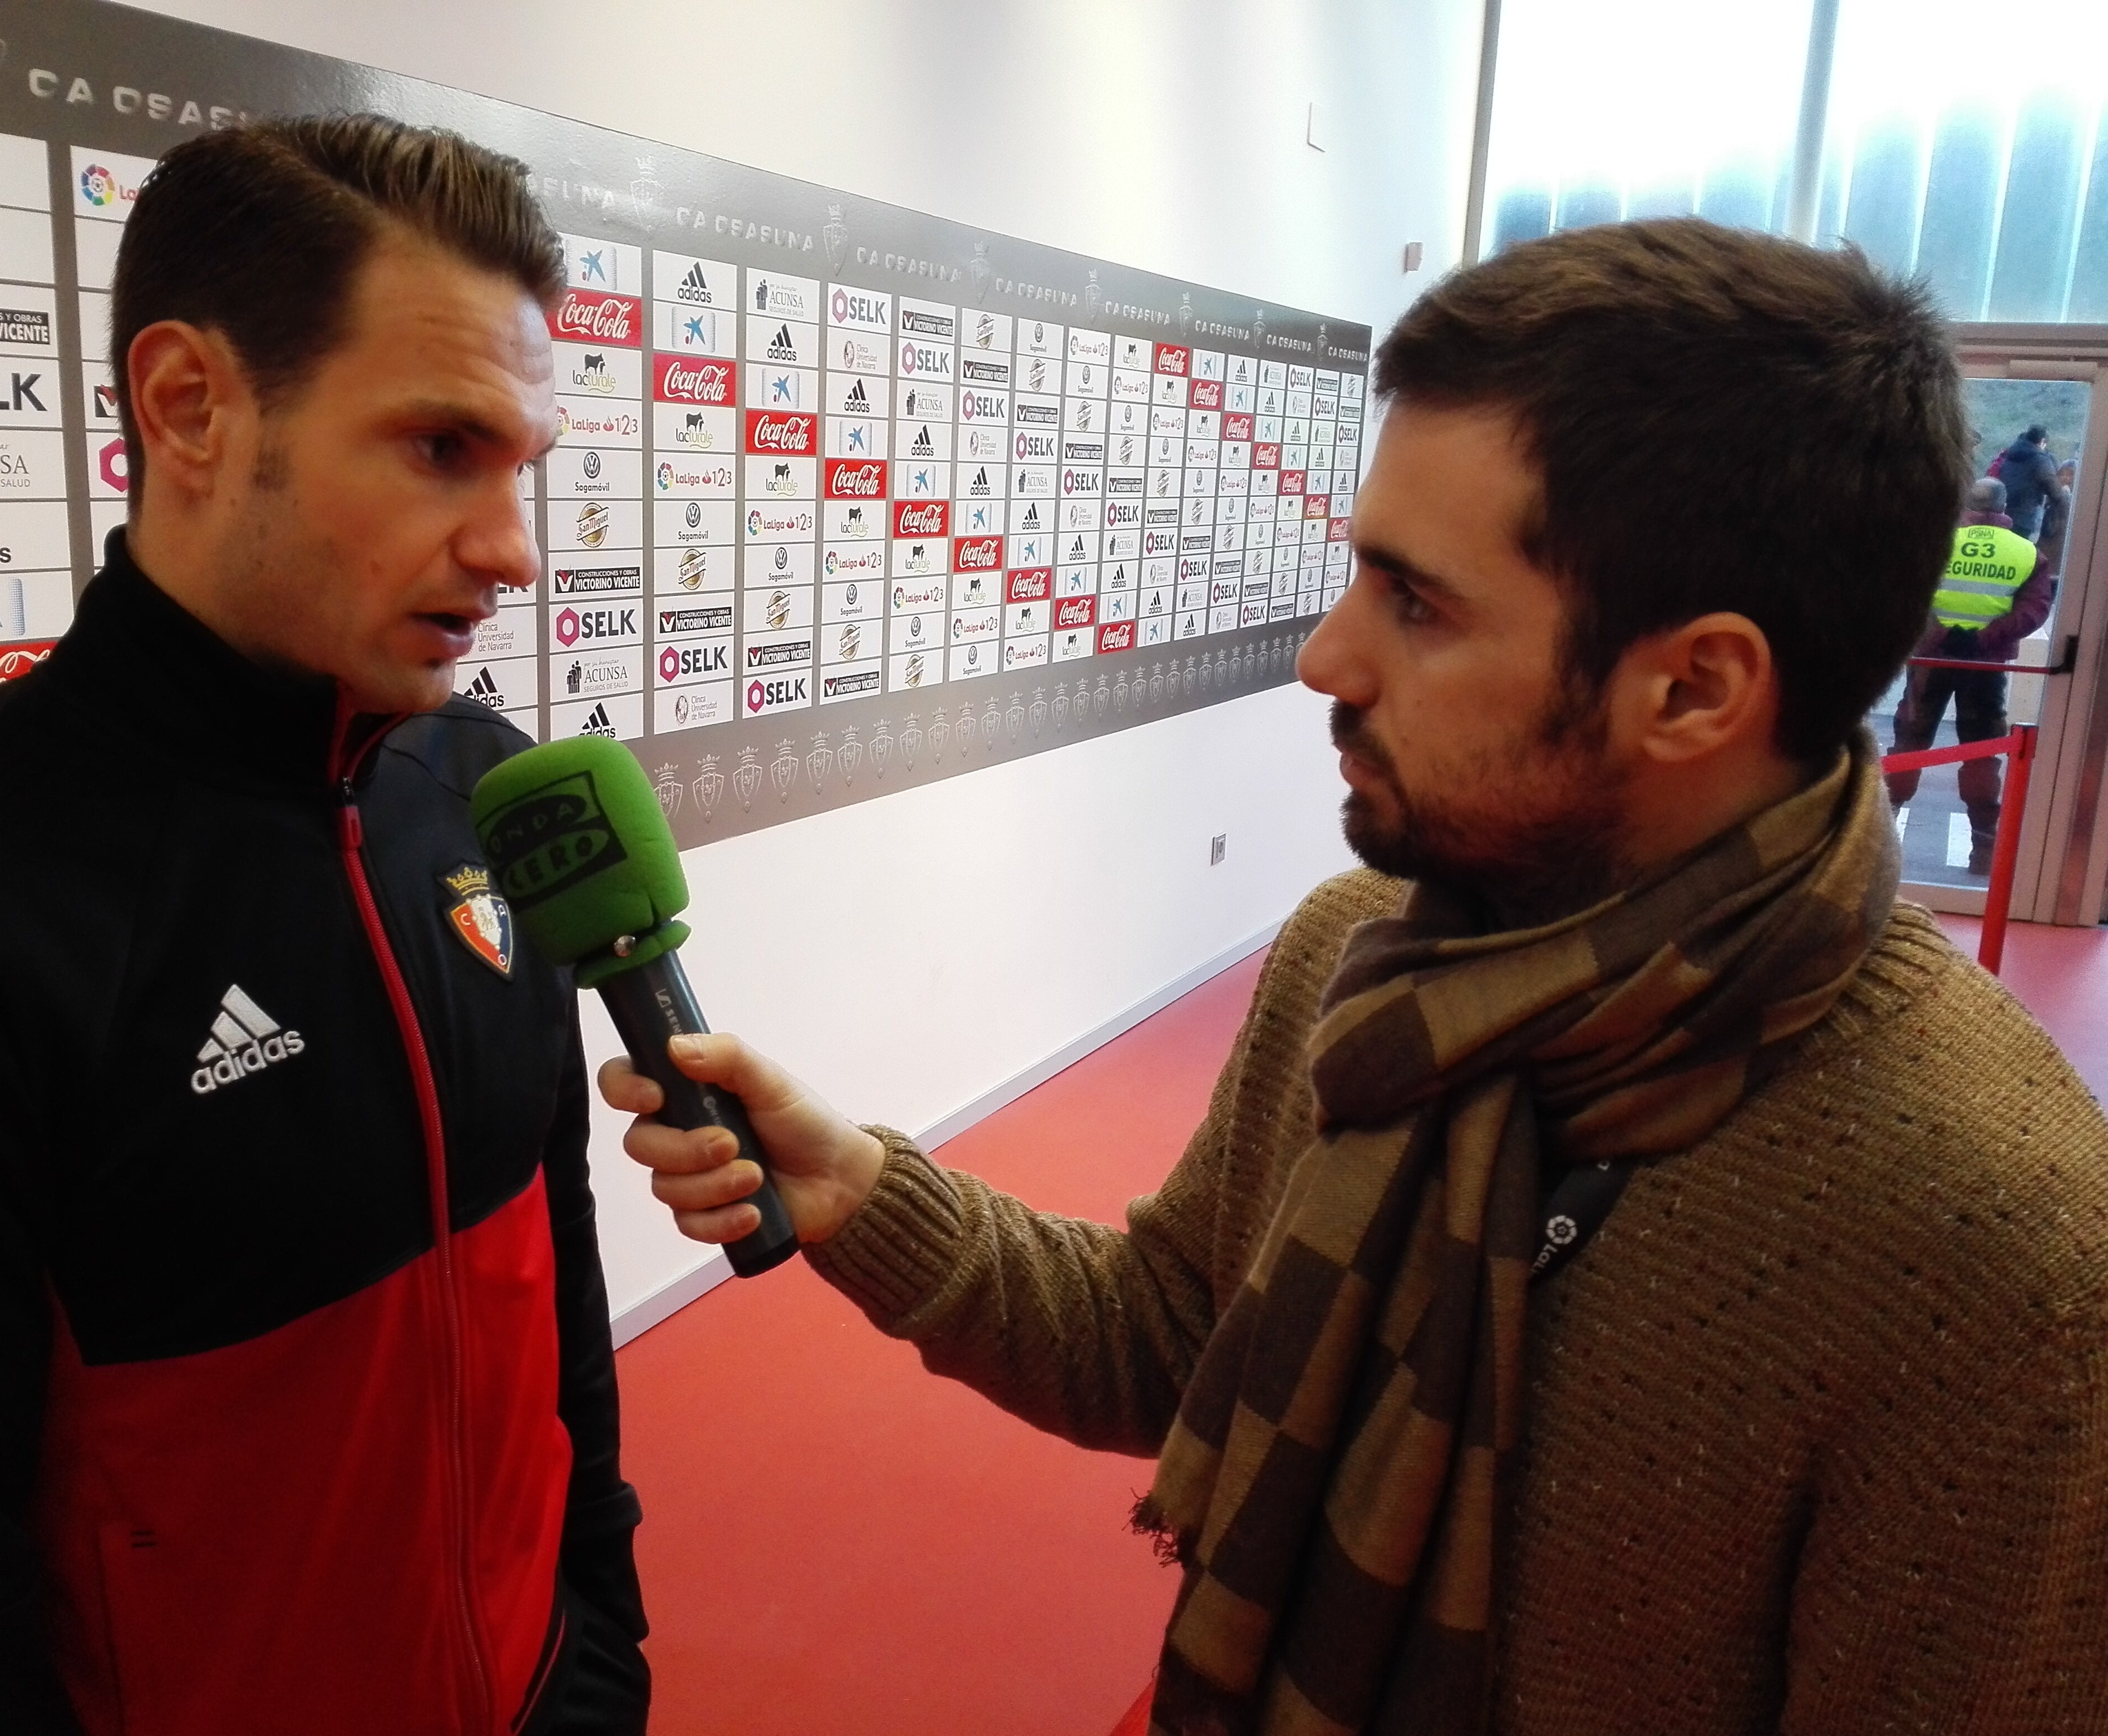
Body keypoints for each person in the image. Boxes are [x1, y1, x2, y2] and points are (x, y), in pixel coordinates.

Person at [607, 220, 2108, 1735]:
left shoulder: (2003, 1258)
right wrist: (865, 1187)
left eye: (1418, 601)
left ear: (1695, 688)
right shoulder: (1365, 956)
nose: (1326, 657)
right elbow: (1183, 1338)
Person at [0, 118, 649, 1735]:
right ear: (192, 404)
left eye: (520, 465)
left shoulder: (490, 794)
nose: (511, 551)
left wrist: (594, 1650)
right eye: (439, 449)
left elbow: (555, 1296)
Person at [1887, 477, 2058, 871]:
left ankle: (1879, 837)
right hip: (1985, 666)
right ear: (2004, 508)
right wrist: (1984, 638)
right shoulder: (2026, 554)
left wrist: (1941, 634)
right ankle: (1983, 852)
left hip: (1930, 662)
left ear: (1967, 503)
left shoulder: (1937, 542)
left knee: (1909, 744)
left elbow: (1909, 594)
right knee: (1982, 753)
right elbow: (2034, 610)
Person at [1989, 422, 2068, 541]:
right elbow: (2054, 491)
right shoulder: (2041, 460)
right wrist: (2068, 508)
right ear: (2042, 441)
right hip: (2027, 516)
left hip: (2004, 512)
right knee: (2026, 550)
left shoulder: (2010, 455)